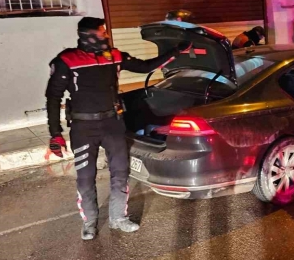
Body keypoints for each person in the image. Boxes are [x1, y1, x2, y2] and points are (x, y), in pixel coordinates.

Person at [46, 17, 190, 240]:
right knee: (85, 177)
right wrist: (55, 134)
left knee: (120, 173)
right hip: (84, 128)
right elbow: (53, 98)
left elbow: (145, 67)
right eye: (102, 32)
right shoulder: (67, 60)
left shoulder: (113, 56)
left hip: (113, 124)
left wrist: (175, 51)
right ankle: (90, 223)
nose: (106, 35)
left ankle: (118, 218)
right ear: (89, 35)